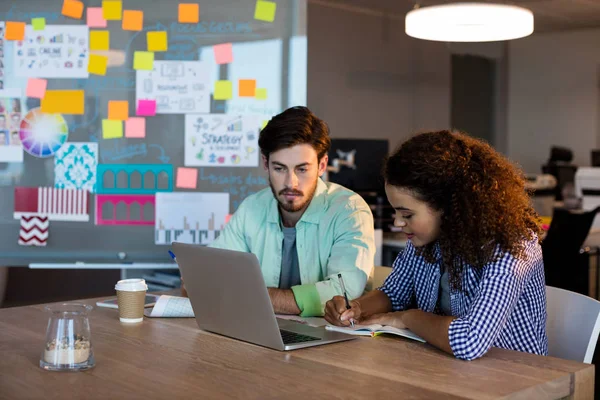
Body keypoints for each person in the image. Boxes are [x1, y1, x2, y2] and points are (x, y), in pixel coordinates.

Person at [325, 130, 547, 361]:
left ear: (447, 208)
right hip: (447, 367)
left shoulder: (510, 246)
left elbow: (470, 341)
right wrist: (357, 307)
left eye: (407, 214)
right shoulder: (426, 239)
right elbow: (393, 293)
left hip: (515, 375)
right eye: (396, 211)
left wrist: (405, 318)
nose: (398, 222)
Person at [196, 106, 375, 317]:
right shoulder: (252, 207)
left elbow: (342, 293)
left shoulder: (350, 211)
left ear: (322, 165)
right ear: (265, 163)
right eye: (279, 168)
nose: (291, 183)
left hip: (336, 340)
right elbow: (213, 273)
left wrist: (253, 296)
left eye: (302, 169)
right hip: (261, 330)